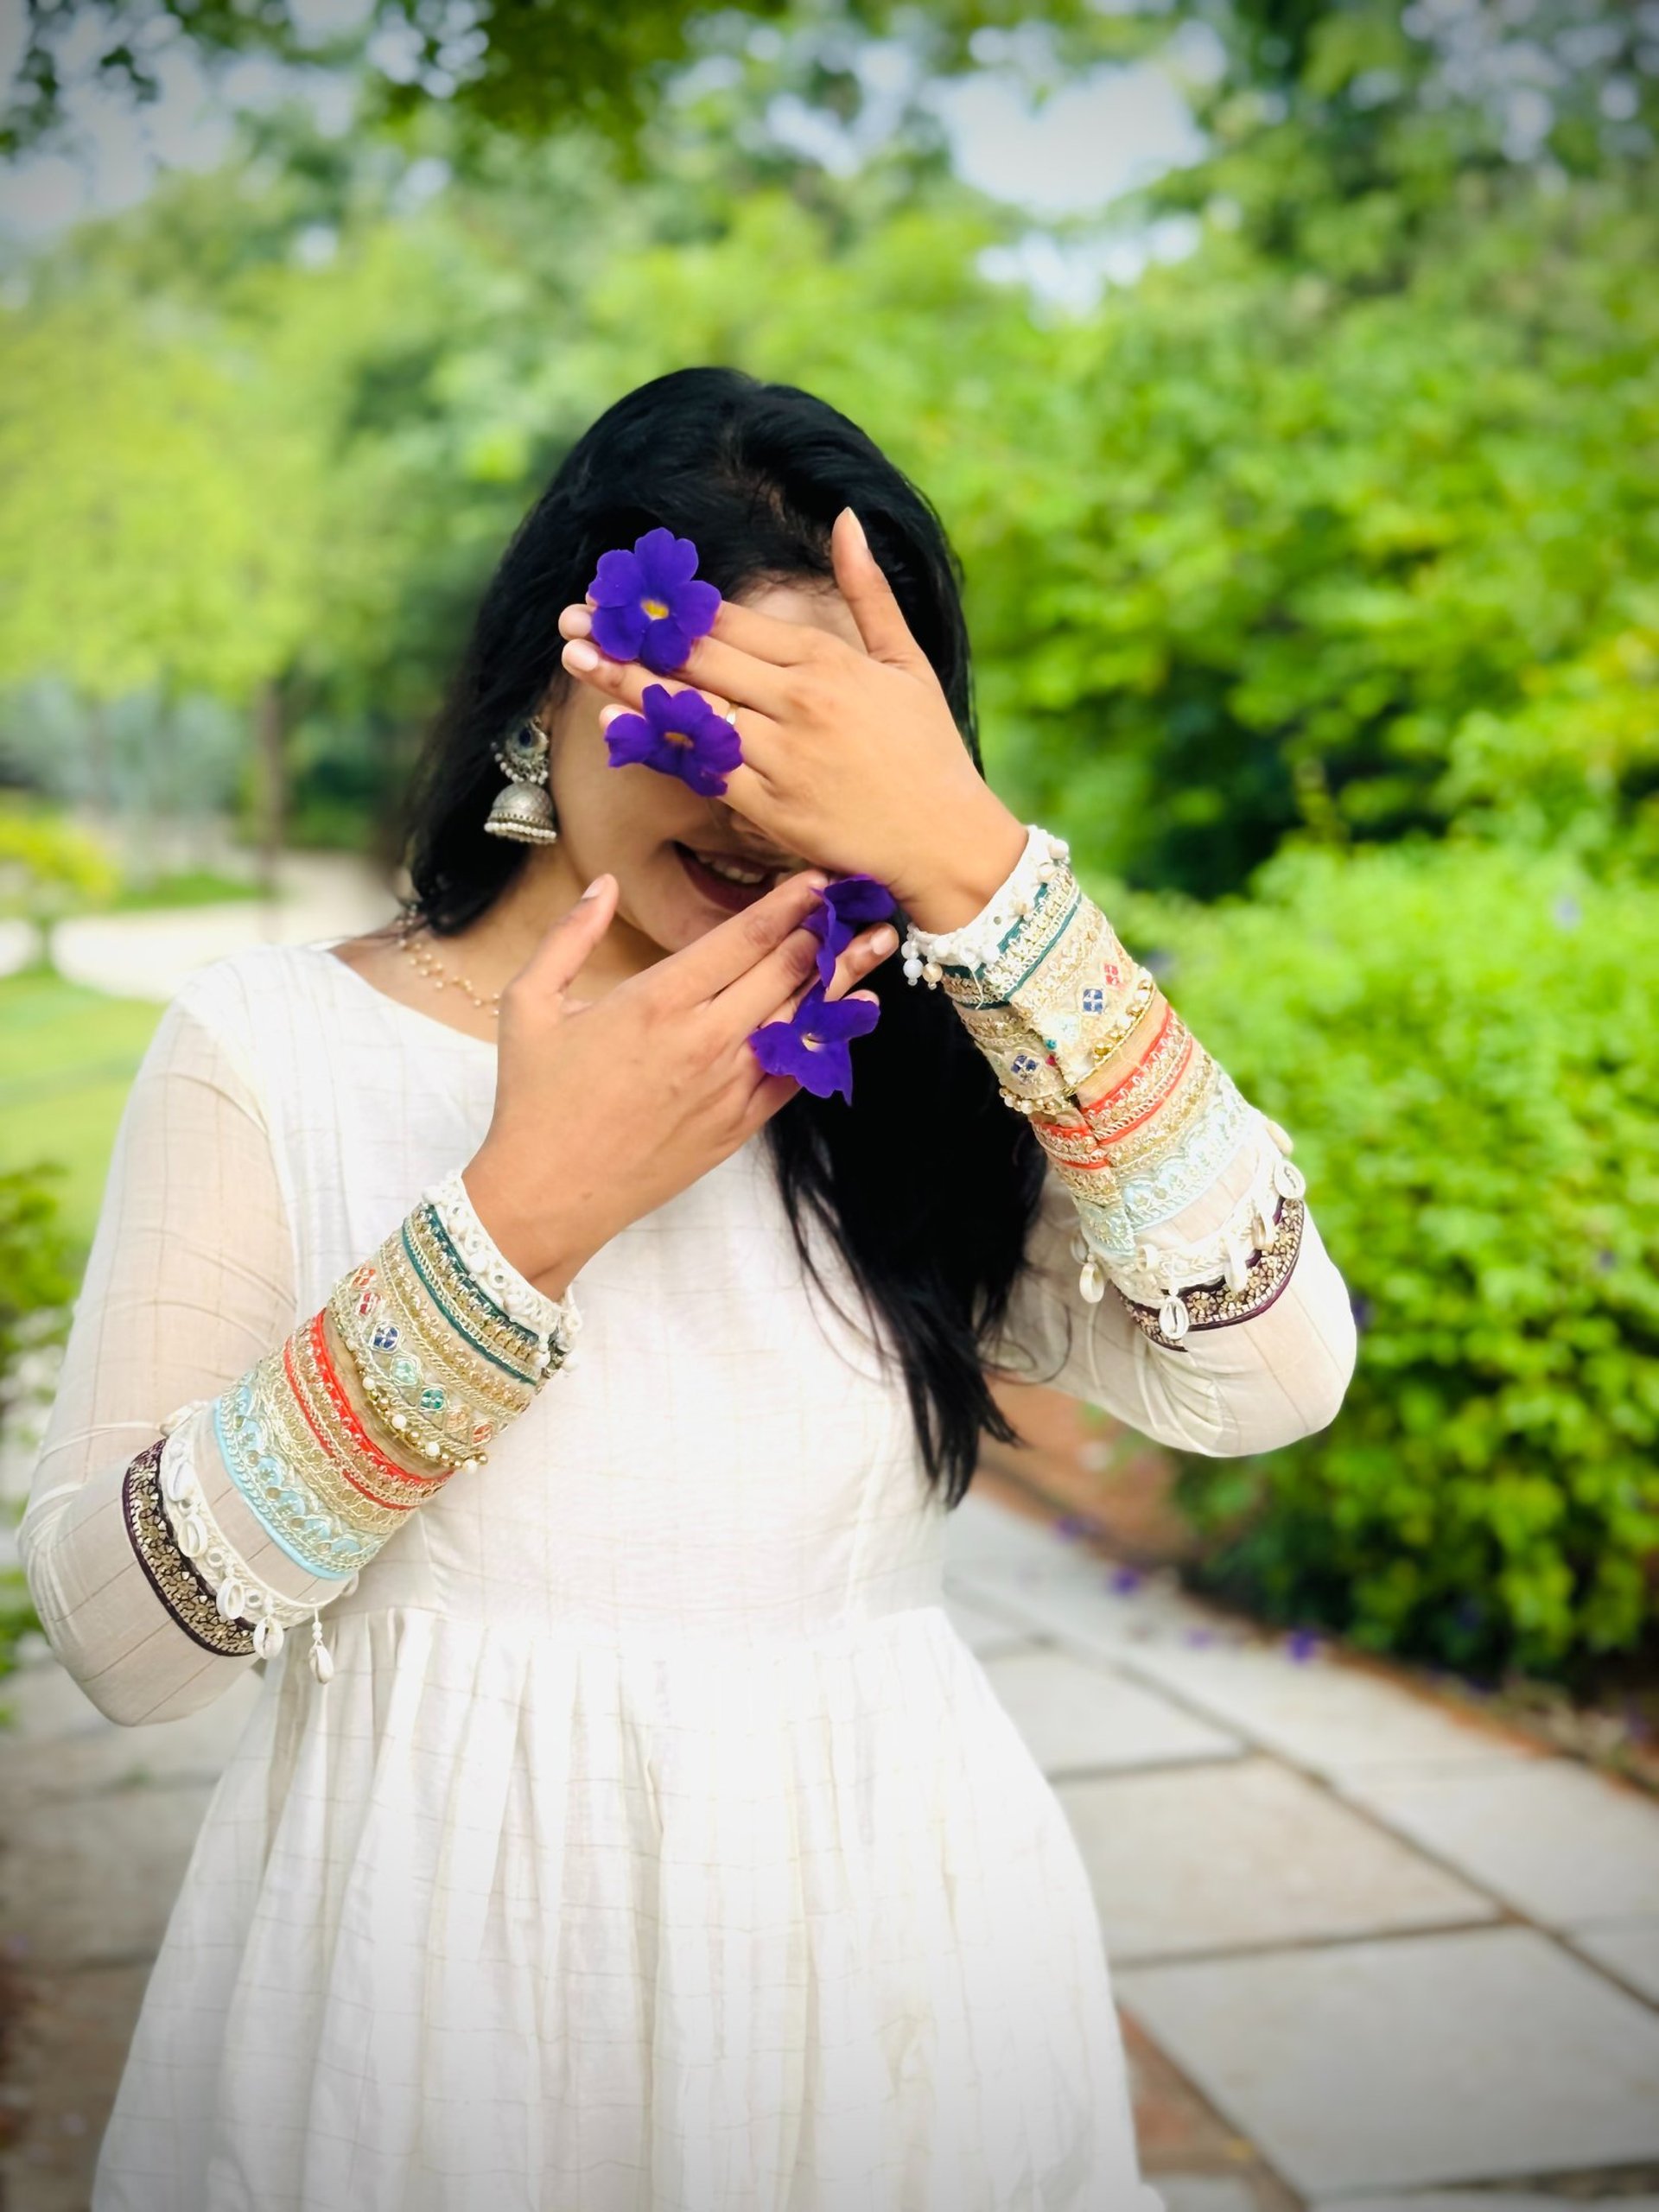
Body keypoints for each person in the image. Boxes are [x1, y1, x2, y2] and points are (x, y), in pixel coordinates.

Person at [21, 365, 1356, 2212]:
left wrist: (977, 871)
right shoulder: (271, 1052)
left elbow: (1279, 1371)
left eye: (825, 758)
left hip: (895, 1973)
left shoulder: (912, 1072)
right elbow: (119, 1635)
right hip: (433, 1999)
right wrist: (512, 1227)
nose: (753, 810)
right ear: (554, 676)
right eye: (709, 724)